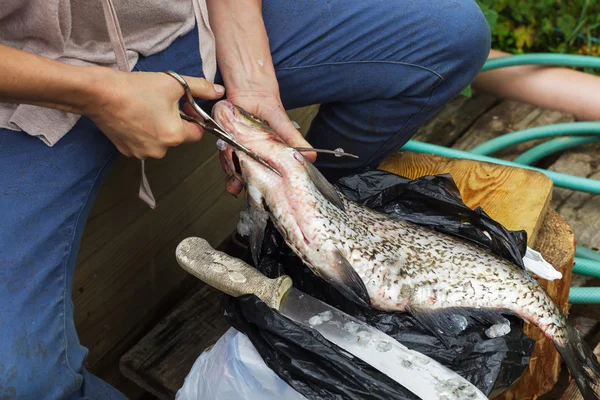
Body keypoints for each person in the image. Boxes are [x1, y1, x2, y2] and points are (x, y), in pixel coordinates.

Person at [0, 0, 491, 398]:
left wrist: (254, 85)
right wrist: (98, 94)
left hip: (188, 25)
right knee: (19, 379)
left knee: (448, 33)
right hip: (26, 89)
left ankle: (306, 228)